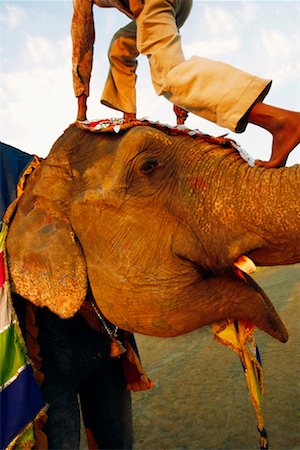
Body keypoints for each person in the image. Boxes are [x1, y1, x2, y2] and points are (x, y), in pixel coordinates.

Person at [71, 0, 300, 168]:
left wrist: (81, 112)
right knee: (120, 46)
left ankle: (281, 122)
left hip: (153, 3)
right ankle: (129, 119)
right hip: (174, 6)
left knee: (170, 76)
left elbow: (82, 40)